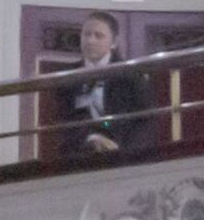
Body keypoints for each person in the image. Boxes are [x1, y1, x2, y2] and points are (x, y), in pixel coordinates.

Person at [49, 11, 162, 161]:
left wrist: (125, 151)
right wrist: (91, 138)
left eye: (98, 36)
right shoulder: (67, 76)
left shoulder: (132, 75)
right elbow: (63, 120)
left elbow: (147, 120)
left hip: (125, 155)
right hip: (79, 156)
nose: (90, 41)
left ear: (114, 42)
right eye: (86, 34)